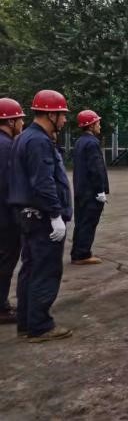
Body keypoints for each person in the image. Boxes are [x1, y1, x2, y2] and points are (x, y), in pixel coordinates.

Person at [8, 90, 73, 342]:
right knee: (45, 269)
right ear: (50, 115)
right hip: (42, 217)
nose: (64, 120)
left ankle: (27, 322)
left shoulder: (24, 138)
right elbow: (44, 182)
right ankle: (40, 325)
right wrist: (55, 214)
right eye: (62, 115)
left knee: (31, 268)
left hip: (29, 216)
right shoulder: (38, 142)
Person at [70, 110, 109, 265]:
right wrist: (100, 190)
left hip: (81, 190)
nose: (100, 125)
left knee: (81, 222)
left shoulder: (80, 141)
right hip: (91, 192)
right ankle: (82, 254)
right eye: (97, 123)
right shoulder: (92, 143)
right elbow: (96, 169)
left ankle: (77, 251)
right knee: (88, 222)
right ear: (91, 125)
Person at [0, 98, 25, 324]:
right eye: (19, 119)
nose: (22, 123)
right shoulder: (7, 147)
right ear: (10, 121)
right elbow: (10, 184)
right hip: (5, 216)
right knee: (6, 260)